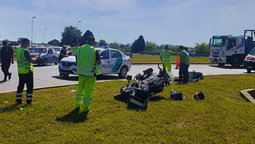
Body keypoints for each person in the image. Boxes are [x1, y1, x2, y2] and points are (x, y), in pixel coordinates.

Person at [74, 36, 101, 113]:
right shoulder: (94, 50)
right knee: (88, 92)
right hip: (90, 75)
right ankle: (85, 109)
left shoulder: (79, 49)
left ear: (86, 41)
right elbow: (98, 62)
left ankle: (77, 105)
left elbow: (77, 59)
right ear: (93, 42)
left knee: (80, 90)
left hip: (81, 73)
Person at [16, 38, 39, 105]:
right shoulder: (25, 51)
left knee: (20, 86)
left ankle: (18, 99)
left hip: (21, 71)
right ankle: (29, 101)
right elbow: (31, 60)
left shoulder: (18, 50)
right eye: (28, 43)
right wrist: (36, 58)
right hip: (27, 71)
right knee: (29, 87)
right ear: (25, 43)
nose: (28, 45)